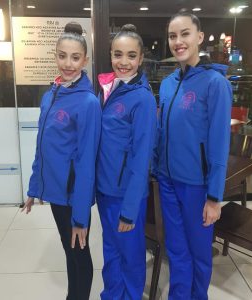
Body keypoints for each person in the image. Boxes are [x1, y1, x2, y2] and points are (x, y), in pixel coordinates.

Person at [153, 12, 232, 300]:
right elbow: (162, 132)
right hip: (168, 182)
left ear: (199, 37)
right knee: (176, 251)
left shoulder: (215, 84)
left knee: (199, 253)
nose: (178, 41)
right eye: (173, 36)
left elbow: (220, 143)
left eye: (184, 34)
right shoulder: (168, 83)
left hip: (198, 187)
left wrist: (214, 197)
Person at [21, 22, 101, 300]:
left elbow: (87, 162)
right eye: (62, 55)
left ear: (85, 60)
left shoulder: (88, 102)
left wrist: (81, 216)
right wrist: (34, 187)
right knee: (70, 251)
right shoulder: (51, 94)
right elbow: (42, 148)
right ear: (54, 55)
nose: (68, 63)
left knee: (79, 253)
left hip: (72, 195)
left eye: (75, 57)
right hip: (56, 193)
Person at [96, 24, 157, 299]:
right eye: (118, 54)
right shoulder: (108, 89)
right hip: (106, 190)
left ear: (141, 58)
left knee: (131, 256)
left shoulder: (142, 99)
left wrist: (130, 209)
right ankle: (111, 294)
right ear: (110, 54)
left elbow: (142, 156)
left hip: (126, 196)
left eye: (131, 56)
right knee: (111, 250)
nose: (123, 61)